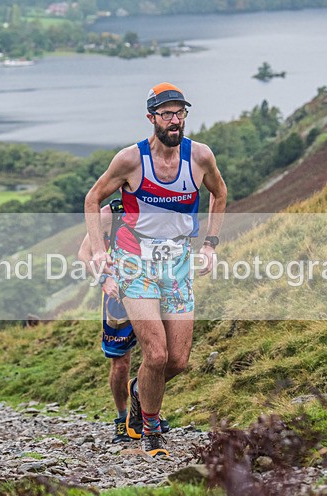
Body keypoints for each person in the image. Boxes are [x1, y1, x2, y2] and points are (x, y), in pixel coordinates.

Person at [84, 82, 227, 456]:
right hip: (135, 263)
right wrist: (100, 255)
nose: (175, 119)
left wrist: (210, 244)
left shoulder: (200, 157)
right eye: (166, 113)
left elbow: (220, 193)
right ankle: (151, 433)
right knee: (157, 355)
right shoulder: (131, 160)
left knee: (178, 361)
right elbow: (92, 198)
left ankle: (139, 391)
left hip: (177, 264)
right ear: (151, 118)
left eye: (180, 112)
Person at [77, 201, 171, 445]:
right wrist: (103, 280)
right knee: (121, 363)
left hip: (153, 291)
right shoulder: (111, 213)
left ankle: (147, 411)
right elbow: (84, 254)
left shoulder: (161, 206)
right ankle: (121, 418)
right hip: (118, 296)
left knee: (158, 356)